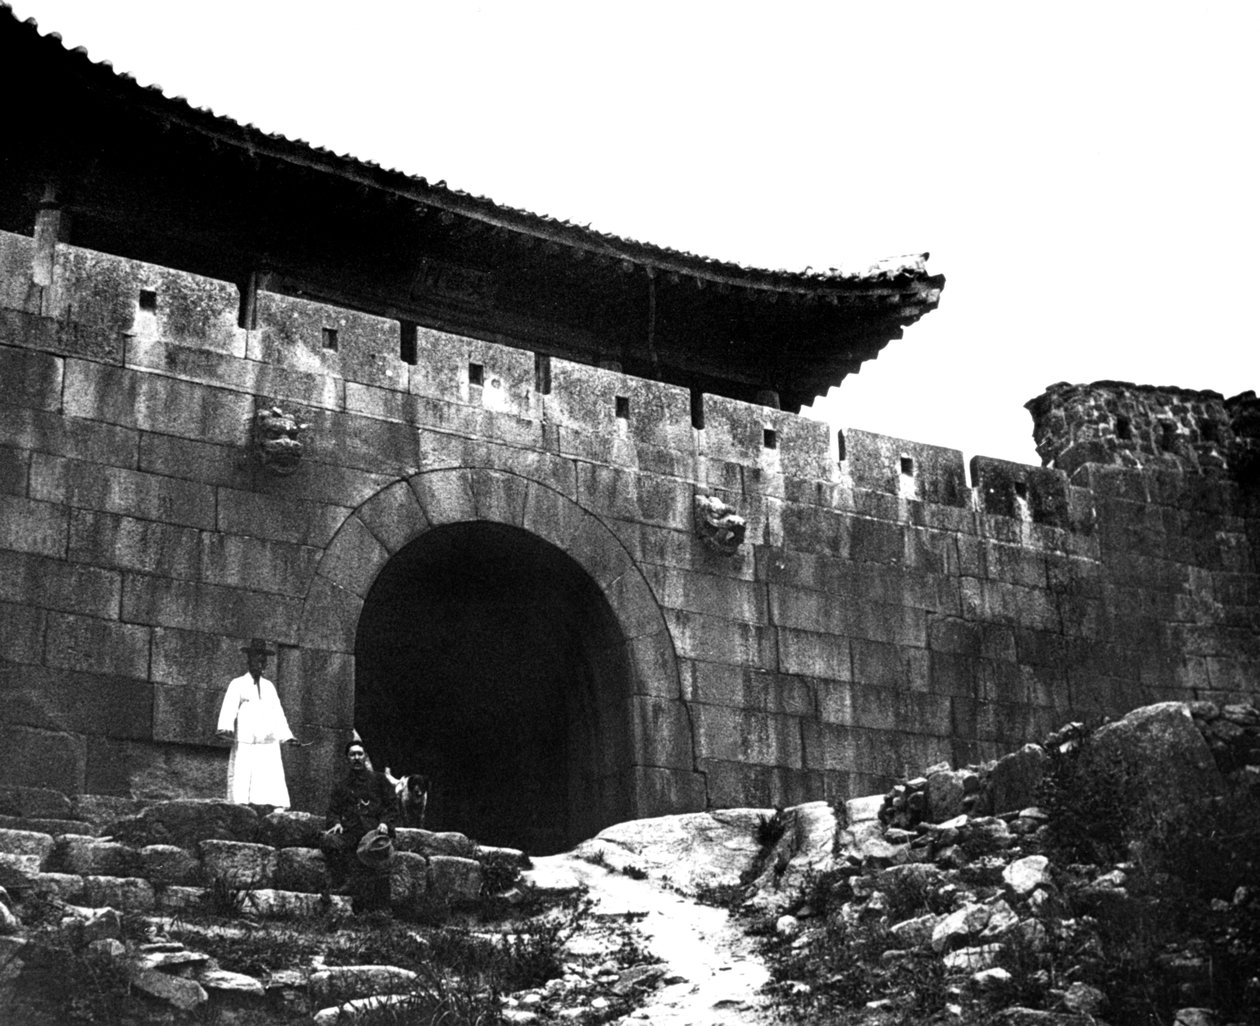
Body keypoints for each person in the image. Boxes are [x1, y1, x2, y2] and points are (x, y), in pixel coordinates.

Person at [215, 638, 300, 807]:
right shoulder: (238, 684)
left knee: (268, 784)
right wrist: (225, 728)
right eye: (256, 659)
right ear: (249, 660)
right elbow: (229, 708)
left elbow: (278, 715)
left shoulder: (269, 688)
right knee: (242, 784)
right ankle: (242, 807)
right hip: (246, 743)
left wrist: (287, 737)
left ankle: (270, 808)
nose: (260, 664)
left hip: (268, 745)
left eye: (263, 660)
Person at [322, 739, 399, 912]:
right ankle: (345, 882)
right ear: (347, 759)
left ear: (365, 757)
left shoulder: (379, 780)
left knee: (378, 862)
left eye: (359, 754)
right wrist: (336, 823)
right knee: (328, 841)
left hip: (374, 832)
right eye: (352, 755)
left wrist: (385, 823)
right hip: (351, 831)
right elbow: (332, 810)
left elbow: (392, 807)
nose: (356, 758)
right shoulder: (342, 785)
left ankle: (381, 910)